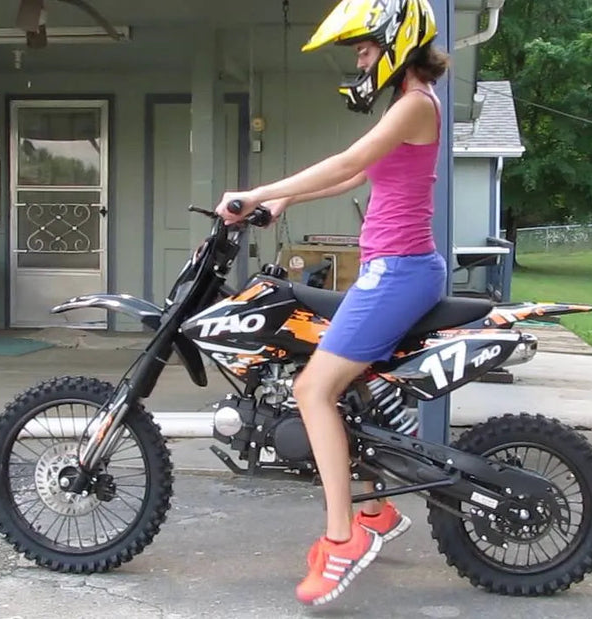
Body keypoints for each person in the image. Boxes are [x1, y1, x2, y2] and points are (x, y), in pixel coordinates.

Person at [214, 0, 449, 606]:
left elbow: (347, 160)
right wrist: (287, 203)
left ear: (398, 43)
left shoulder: (415, 104)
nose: (361, 60)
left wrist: (258, 190)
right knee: (337, 381)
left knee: (311, 390)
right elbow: (355, 176)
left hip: (398, 273)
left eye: (366, 48)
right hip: (392, 270)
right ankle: (374, 512)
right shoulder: (407, 107)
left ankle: (341, 536)